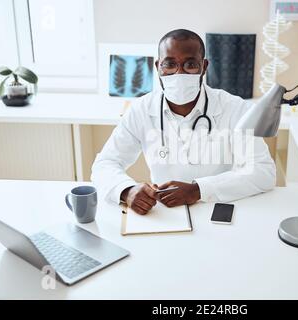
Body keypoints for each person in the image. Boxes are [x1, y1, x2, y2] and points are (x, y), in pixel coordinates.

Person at [91, 29, 276, 215]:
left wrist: (198, 190)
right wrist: (126, 190)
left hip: (217, 208)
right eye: (169, 64)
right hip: (165, 214)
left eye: (190, 64)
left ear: (204, 66)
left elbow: (263, 171)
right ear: (158, 67)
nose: (179, 74)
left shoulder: (234, 108)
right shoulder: (141, 110)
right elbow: (105, 164)